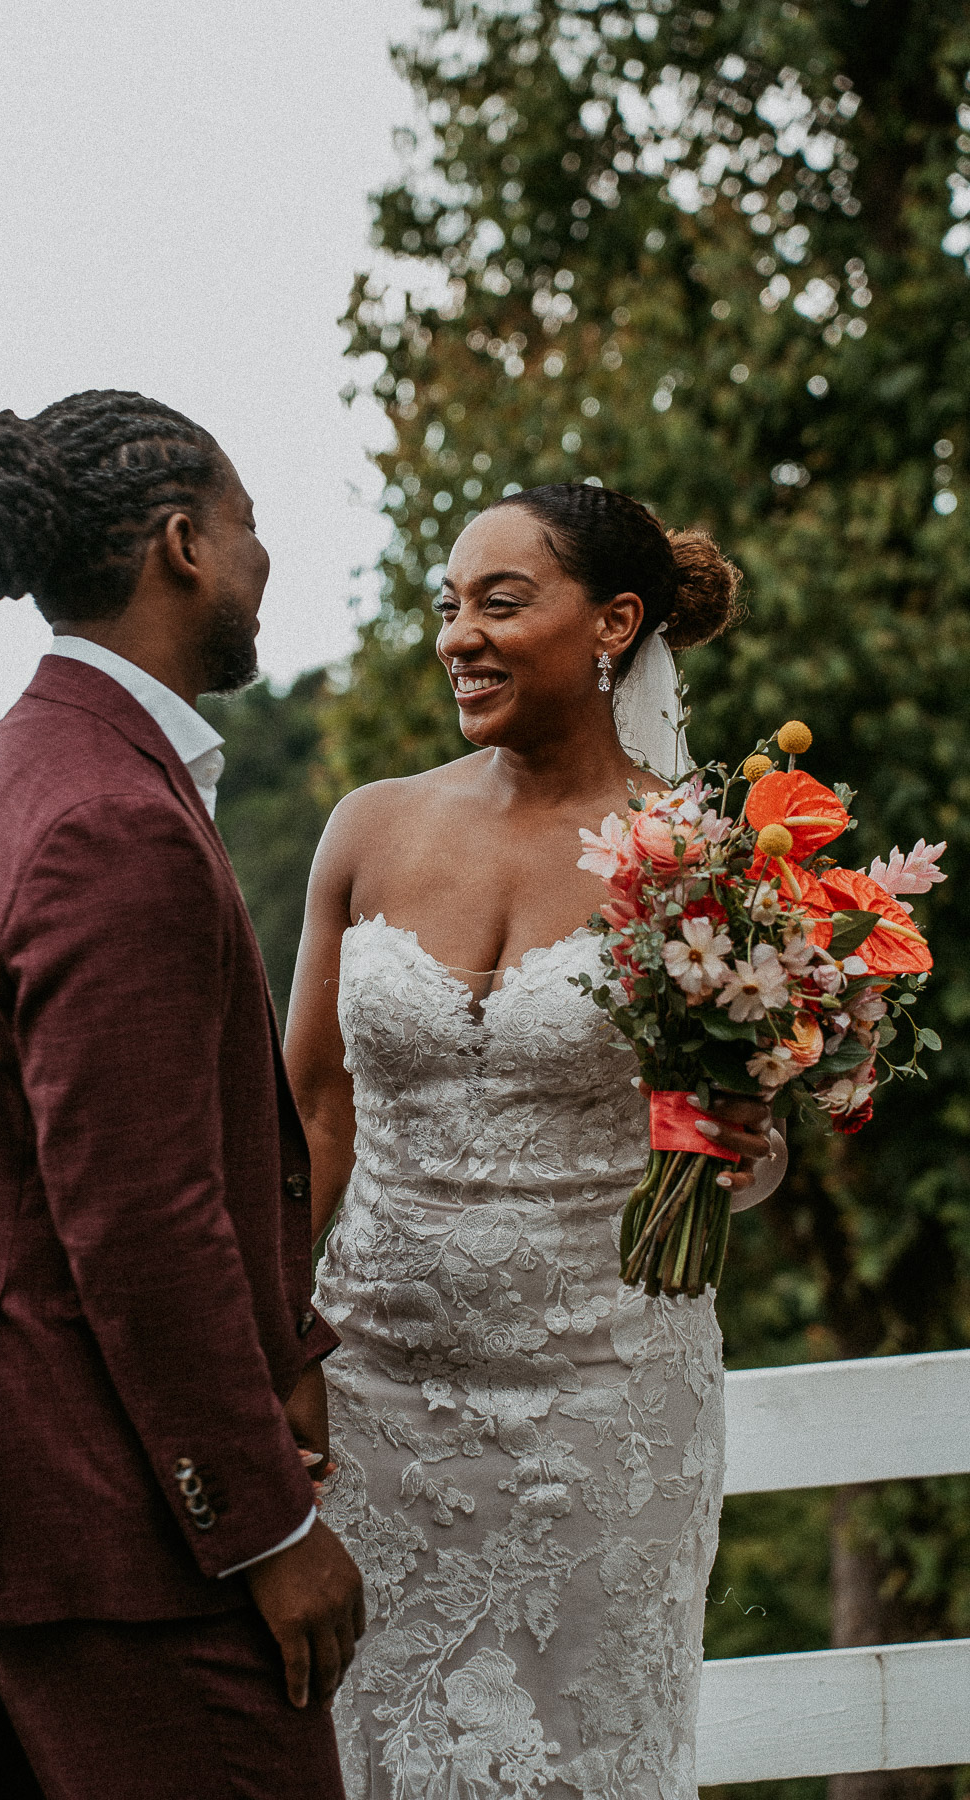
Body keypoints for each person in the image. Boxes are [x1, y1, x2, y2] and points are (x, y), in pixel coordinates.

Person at [0, 389, 363, 1800]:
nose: (263, 561)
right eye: (251, 527)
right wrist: (263, 1528)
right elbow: (142, 1219)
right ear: (182, 544)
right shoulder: (112, 817)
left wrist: (284, 1339)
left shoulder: (28, 758)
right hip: (87, 1507)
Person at [284, 482, 787, 1799]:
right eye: (449, 605)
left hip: (604, 1408)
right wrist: (269, 1340)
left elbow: (747, 1137)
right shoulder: (371, 829)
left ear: (615, 622)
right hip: (370, 1394)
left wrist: (742, 1144)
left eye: (500, 602)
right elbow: (312, 1108)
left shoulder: (704, 856)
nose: (459, 634)